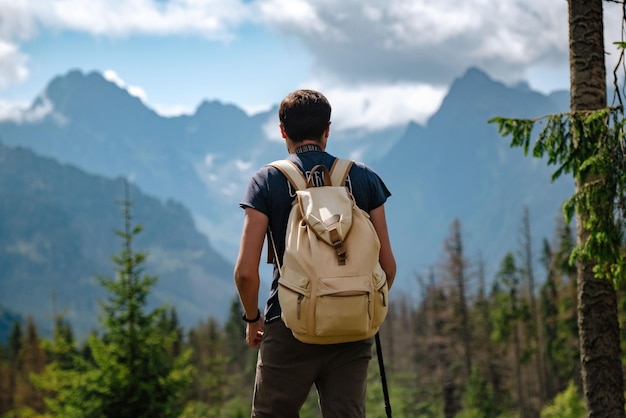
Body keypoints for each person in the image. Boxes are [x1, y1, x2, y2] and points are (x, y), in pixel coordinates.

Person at [234, 89, 396, 418]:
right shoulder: (364, 179)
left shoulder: (268, 181)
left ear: (282, 130)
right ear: (328, 129)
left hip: (289, 323)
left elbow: (246, 272)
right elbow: (387, 266)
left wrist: (253, 320)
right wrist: (355, 302)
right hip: (353, 328)